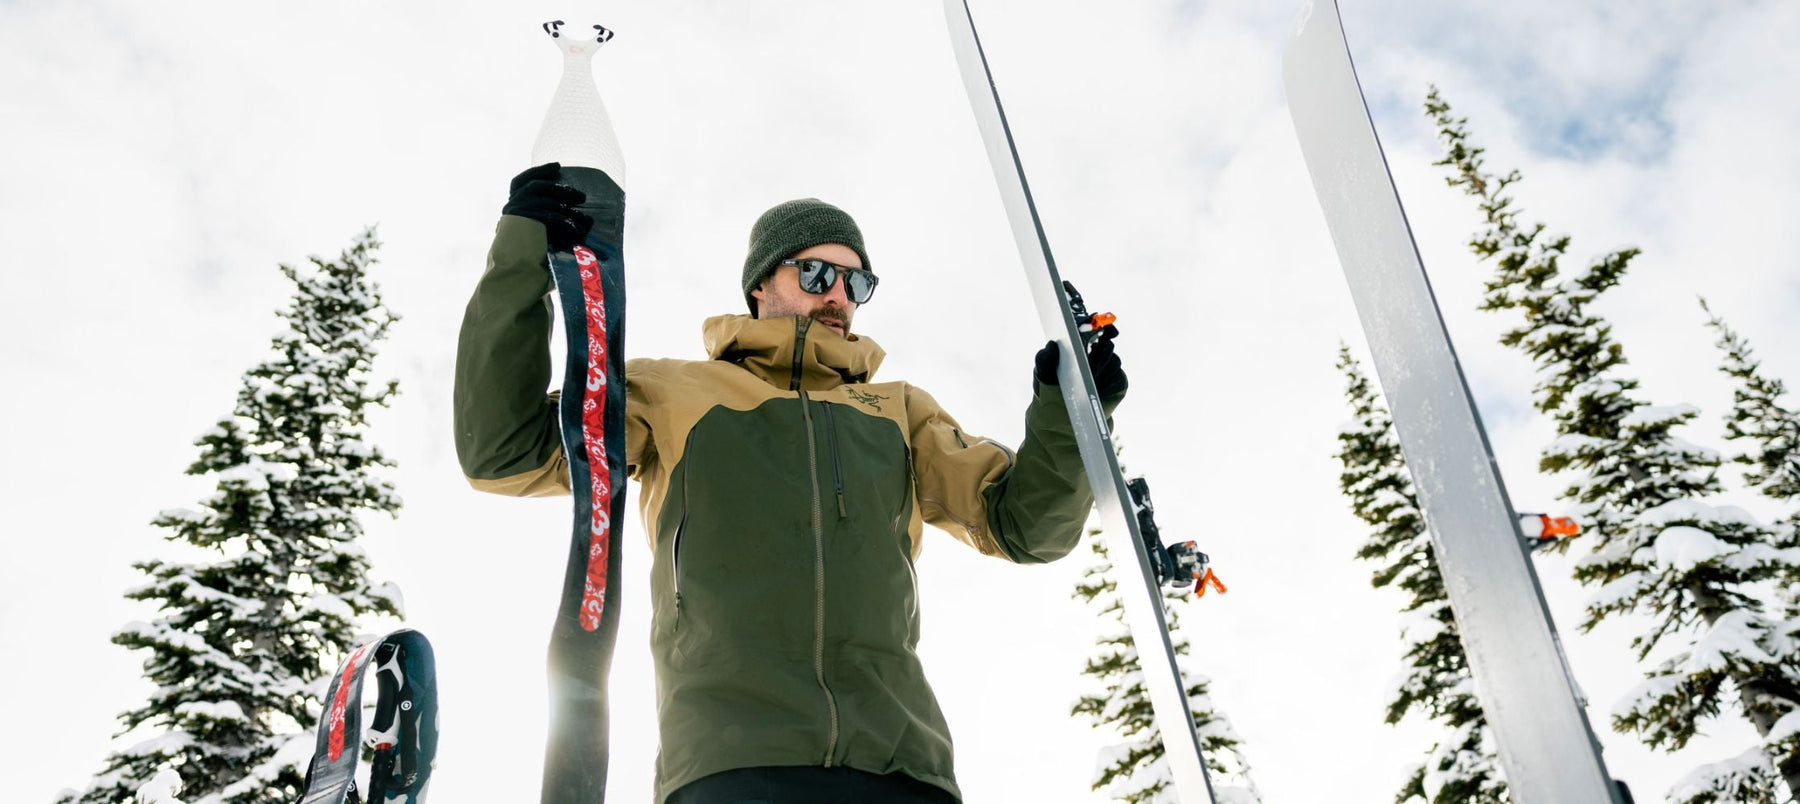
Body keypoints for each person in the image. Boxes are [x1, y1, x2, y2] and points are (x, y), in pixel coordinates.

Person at [455, 165, 1128, 803]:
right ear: (760, 285)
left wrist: (1070, 408)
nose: (838, 296)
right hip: (732, 763)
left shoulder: (899, 411)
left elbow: (1023, 528)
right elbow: (504, 451)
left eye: (856, 283)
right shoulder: (672, 393)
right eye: (816, 273)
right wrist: (522, 261)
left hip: (900, 766)